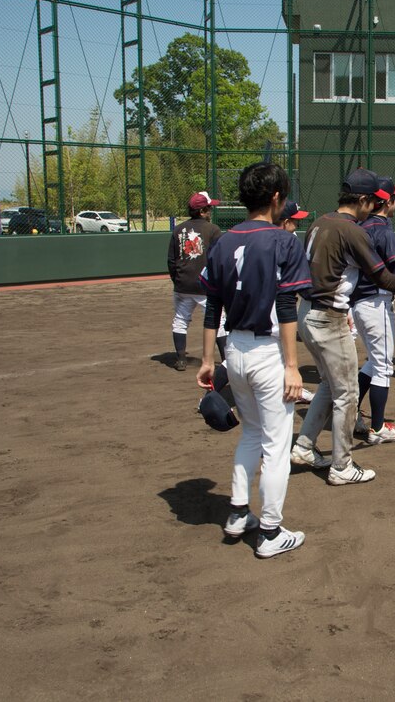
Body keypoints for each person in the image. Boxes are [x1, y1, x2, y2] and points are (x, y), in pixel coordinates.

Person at [289, 168, 395, 485]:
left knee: (332, 387)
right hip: (328, 317)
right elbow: (382, 276)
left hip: (309, 312)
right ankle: (342, 466)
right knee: (347, 393)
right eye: (372, 201)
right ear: (361, 199)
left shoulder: (321, 222)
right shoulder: (351, 230)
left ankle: (304, 446)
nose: (374, 207)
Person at [196, 162, 312, 558]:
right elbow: (286, 304)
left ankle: (237, 513)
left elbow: (212, 306)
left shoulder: (223, 240)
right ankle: (270, 532)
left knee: (250, 434)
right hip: (267, 353)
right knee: (277, 445)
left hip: (235, 351)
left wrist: (209, 359)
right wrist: (293, 365)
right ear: (277, 197)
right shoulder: (284, 241)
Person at [350, 176, 395, 444]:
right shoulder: (384, 229)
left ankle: (353, 415)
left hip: (359, 302)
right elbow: (394, 274)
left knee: (372, 362)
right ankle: (377, 428)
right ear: (387, 202)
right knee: (384, 367)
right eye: (394, 198)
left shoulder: (361, 225)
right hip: (376, 302)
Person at [168, 191, 225, 371]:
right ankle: (225, 360)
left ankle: (181, 359)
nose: (210, 211)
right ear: (202, 211)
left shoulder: (178, 229)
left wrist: (177, 280)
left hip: (183, 284)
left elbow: (171, 260)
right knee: (219, 321)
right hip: (205, 286)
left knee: (180, 320)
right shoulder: (213, 230)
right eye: (208, 208)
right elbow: (220, 258)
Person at [279, 200, 317, 404]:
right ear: (284, 221)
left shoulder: (285, 237)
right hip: (276, 306)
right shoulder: (286, 241)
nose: (298, 224)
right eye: (295, 220)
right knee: (281, 346)